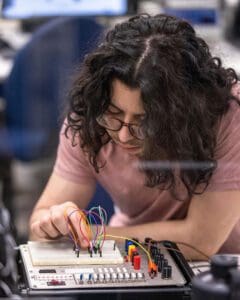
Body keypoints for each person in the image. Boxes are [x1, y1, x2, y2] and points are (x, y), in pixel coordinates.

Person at [29, 14, 240, 260]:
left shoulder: (227, 113)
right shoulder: (91, 113)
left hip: (227, 258)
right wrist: (53, 225)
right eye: (114, 114)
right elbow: (39, 229)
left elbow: (200, 242)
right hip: (135, 249)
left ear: (185, 112)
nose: (123, 135)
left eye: (145, 122)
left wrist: (91, 236)